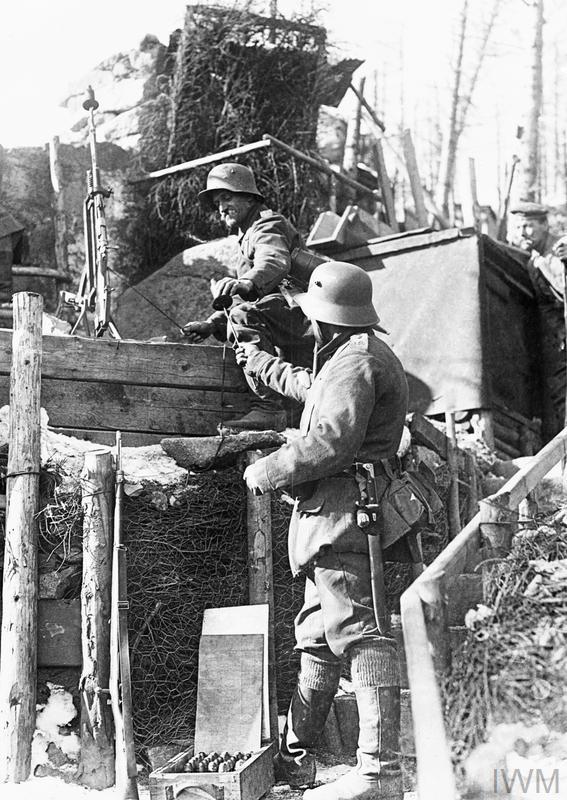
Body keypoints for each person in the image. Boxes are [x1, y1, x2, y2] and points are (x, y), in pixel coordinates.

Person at [239, 261, 408, 800]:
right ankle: (296, 757)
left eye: (312, 315)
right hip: (332, 517)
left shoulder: (357, 362)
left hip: (347, 518)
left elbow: (332, 441)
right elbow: (314, 391)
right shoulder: (352, 355)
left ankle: (379, 772)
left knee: (360, 633)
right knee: (317, 637)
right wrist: (262, 362)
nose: (308, 323)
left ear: (327, 317)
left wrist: (270, 470)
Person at [182, 162, 314, 431]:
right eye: (217, 203)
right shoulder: (249, 233)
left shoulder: (266, 225)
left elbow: (274, 261)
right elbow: (250, 298)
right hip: (290, 321)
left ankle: (267, 408)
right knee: (241, 312)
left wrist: (245, 282)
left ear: (249, 197)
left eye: (227, 198)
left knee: (243, 316)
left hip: (304, 318)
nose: (221, 208)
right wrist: (213, 324)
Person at [509, 201, 567, 438]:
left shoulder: (562, 249)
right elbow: (546, 308)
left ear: (545, 224)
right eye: (519, 227)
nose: (523, 232)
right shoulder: (534, 262)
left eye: (528, 226)